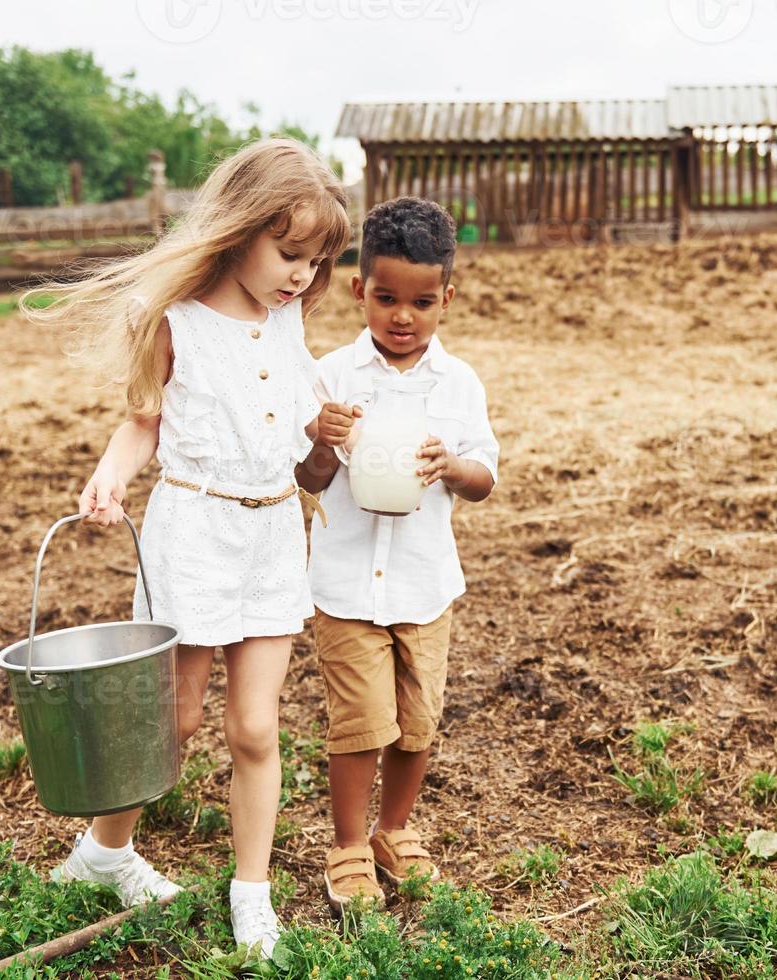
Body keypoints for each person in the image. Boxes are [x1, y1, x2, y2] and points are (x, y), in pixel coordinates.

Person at [24, 138, 351, 957]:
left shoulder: (284, 319)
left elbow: (291, 413)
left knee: (256, 727)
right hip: (196, 532)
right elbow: (142, 420)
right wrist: (110, 478)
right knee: (174, 715)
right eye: (288, 253)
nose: (300, 275)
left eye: (314, 261)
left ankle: (252, 894)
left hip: (276, 531)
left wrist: (330, 429)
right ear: (239, 229)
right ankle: (105, 851)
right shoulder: (174, 321)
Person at [296, 197, 499, 913]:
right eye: (386, 298)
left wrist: (452, 466)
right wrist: (321, 438)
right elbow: (309, 480)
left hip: (423, 585)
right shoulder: (332, 377)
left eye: (421, 301)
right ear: (359, 291)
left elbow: (485, 478)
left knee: (417, 722)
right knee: (361, 720)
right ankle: (349, 842)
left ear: (448, 297)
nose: (402, 317)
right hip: (346, 583)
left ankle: (394, 830)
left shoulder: (459, 385)